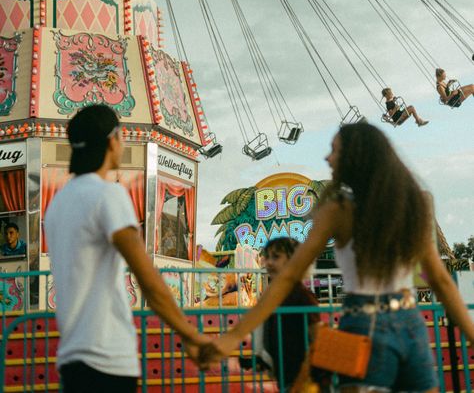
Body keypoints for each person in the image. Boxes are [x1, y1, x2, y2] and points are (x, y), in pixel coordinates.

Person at [200, 122, 474, 391]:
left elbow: (290, 275)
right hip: (408, 319)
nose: (327, 157)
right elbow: (440, 279)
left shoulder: (341, 210)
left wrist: (233, 337)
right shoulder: (406, 204)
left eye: (335, 150)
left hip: (362, 322)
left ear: (357, 157)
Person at [45, 104, 209, 393]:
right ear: (112, 141)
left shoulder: (58, 203)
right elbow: (147, 278)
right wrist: (191, 336)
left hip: (72, 360)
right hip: (108, 360)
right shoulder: (108, 194)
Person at [248, 237, 331, 392]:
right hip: (286, 374)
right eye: (267, 257)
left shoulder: (302, 295)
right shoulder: (275, 295)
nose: (269, 262)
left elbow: (317, 337)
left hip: (304, 378)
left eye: (276, 257)